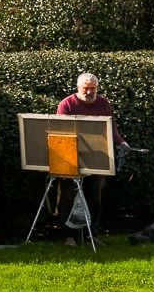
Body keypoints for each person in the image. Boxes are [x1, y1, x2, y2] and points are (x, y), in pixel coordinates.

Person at [55, 72, 130, 237]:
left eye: (93, 89)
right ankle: (69, 237)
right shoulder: (66, 104)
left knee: (94, 197)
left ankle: (91, 235)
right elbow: (61, 134)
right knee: (69, 196)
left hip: (97, 158)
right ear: (78, 88)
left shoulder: (103, 103)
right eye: (86, 88)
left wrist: (121, 142)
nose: (89, 92)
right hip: (72, 158)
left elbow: (111, 127)